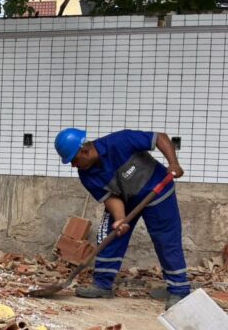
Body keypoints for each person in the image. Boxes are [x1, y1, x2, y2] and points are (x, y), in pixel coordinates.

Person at [53, 127, 190, 308]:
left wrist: (173, 163)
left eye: (74, 159)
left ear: (84, 150)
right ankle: (102, 285)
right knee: (110, 235)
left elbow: (160, 138)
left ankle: (179, 290)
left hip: (158, 192)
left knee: (166, 240)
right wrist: (120, 219)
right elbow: (110, 197)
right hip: (126, 200)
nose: (73, 165)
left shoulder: (120, 141)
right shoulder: (85, 174)